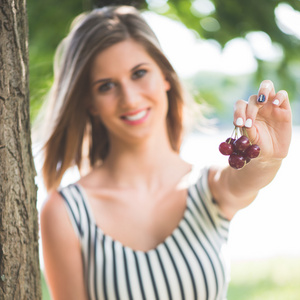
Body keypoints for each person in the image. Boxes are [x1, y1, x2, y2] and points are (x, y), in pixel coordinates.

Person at [39, 5, 292, 300]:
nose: (130, 98)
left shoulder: (207, 188)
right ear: (90, 103)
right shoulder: (66, 212)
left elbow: (247, 178)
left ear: (165, 77)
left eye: (139, 73)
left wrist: (267, 156)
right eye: (106, 86)